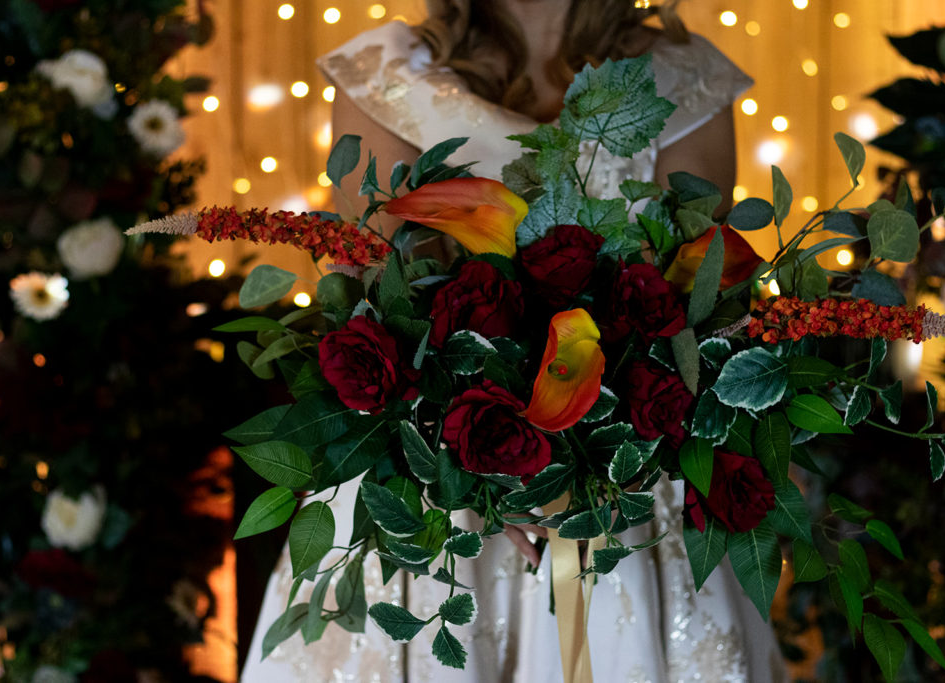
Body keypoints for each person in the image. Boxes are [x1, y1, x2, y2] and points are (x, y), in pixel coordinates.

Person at [241, 2, 789, 680]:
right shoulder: (383, 76)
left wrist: (593, 465)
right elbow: (372, 315)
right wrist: (478, 476)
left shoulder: (684, 78)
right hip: (436, 493)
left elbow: (696, 315)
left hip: (622, 492)